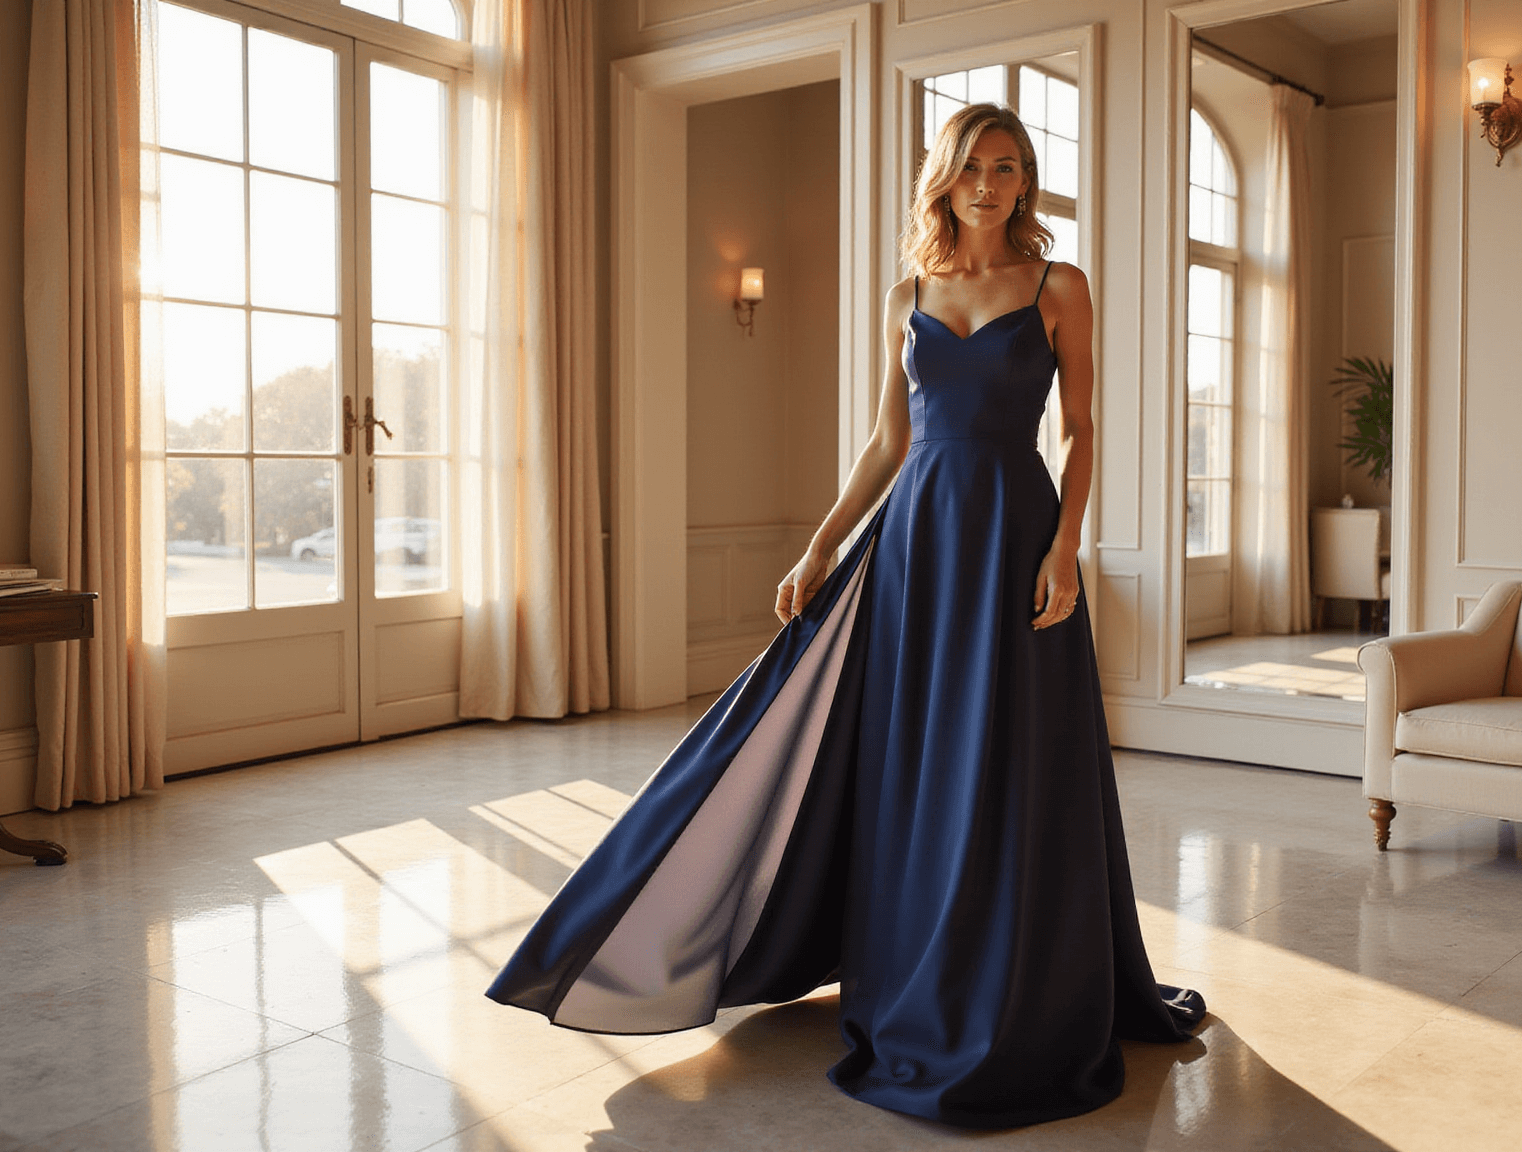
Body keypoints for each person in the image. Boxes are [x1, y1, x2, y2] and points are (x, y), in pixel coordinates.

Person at [485, 103, 1204, 1128]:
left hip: (1011, 538)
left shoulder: (1058, 286)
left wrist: (1064, 549)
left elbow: (1083, 431)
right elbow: (888, 442)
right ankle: (911, 965)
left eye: (1008, 169)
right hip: (914, 546)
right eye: (972, 170)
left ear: (1023, 182)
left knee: (1007, 759)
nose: (991, 187)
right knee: (906, 761)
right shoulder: (904, 296)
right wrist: (821, 544)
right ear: (943, 181)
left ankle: (1015, 985)